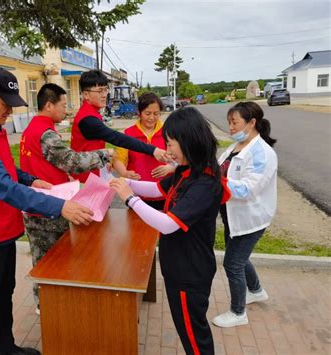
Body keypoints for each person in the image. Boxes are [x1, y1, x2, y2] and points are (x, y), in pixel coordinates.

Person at [0, 67, 93, 355]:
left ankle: (7, 348)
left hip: (2, 233)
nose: (10, 111)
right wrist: (59, 206)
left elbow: (4, 168)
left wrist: (30, 178)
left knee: (3, 297)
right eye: (6, 104)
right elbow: (3, 186)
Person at [110, 107, 230, 355]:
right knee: (188, 330)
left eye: (171, 143)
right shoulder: (186, 170)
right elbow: (156, 189)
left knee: (194, 336)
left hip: (190, 273)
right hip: (179, 268)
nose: (168, 150)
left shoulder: (205, 183)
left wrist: (130, 198)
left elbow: (168, 223)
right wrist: (127, 182)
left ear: (189, 140)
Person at [19, 83, 113, 312]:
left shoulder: (33, 128)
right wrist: (102, 154)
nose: (66, 109)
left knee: (43, 260)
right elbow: (70, 160)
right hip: (47, 210)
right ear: (49, 105)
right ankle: (50, 309)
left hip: (38, 205)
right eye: (62, 105)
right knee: (51, 263)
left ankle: (47, 305)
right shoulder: (45, 133)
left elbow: (48, 165)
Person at [212, 101, 277, 328]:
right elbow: (219, 170)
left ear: (251, 123)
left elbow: (249, 188)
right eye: (229, 122)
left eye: (234, 122)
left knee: (233, 263)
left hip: (251, 217)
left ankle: (238, 312)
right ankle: (256, 290)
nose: (230, 127)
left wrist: (216, 183)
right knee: (238, 256)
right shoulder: (236, 146)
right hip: (232, 214)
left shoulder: (263, 154)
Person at [70, 70, 169, 182]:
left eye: (105, 90)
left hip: (92, 173)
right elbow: (116, 138)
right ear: (86, 94)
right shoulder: (87, 119)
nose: (104, 95)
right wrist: (153, 150)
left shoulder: (92, 113)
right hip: (85, 179)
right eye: (100, 91)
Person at [113, 92, 175, 210]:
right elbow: (117, 160)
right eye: (147, 113)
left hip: (165, 194)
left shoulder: (168, 132)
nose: (152, 118)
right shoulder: (128, 134)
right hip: (137, 196)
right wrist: (125, 173)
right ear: (139, 113)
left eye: (156, 114)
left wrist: (170, 168)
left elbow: (182, 160)